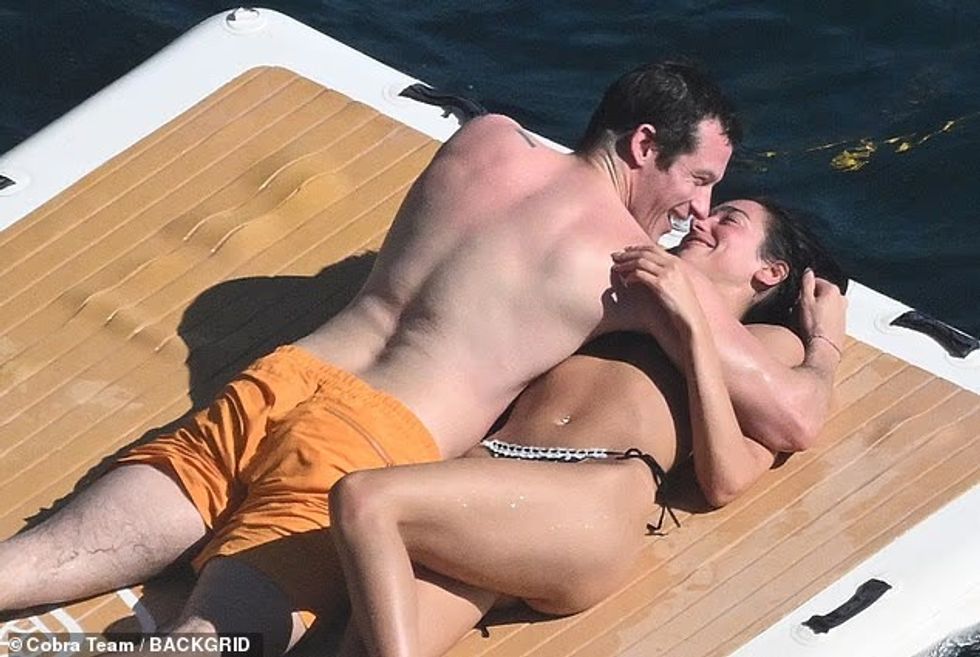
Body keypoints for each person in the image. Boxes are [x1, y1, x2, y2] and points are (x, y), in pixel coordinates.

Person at [0, 61, 843, 655]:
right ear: (645, 144)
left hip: (276, 382)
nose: (697, 208)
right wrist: (823, 344)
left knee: (30, 562)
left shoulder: (486, 142)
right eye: (698, 178)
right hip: (365, 442)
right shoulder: (631, 268)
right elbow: (791, 418)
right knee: (204, 645)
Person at [328, 198, 848, 657]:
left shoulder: (765, 343)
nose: (701, 221)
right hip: (492, 486)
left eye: (728, 220)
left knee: (365, 500)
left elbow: (727, 479)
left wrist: (701, 328)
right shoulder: (624, 290)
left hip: (589, 498)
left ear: (771, 272)